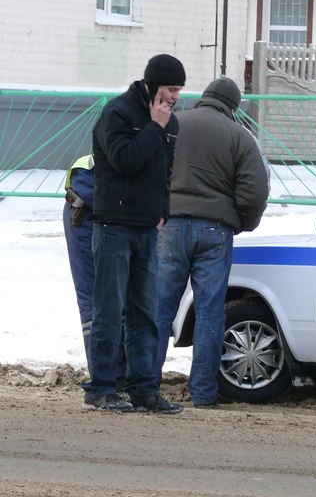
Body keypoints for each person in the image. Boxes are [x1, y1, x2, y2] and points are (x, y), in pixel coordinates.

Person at [154, 77, 269, 408]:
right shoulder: (239, 136)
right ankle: (202, 393)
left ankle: (147, 384)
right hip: (215, 231)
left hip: (171, 227)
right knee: (209, 313)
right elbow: (255, 189)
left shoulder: (173, 125)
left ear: (204, 98)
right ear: (233, 106)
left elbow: (150, 171)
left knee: (159, 310)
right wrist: (242, 222)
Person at [84, 53, 185, 414]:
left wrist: (163, 211)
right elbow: (124, 160)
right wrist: (154, 127)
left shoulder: (169, 120)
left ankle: (145, 389)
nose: (175, 96)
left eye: (179, 90)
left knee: (146, 312)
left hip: (147, 228)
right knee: (110, 310)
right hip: (114, 226)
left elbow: (165, 170)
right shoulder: (119, 113)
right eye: (171, 88)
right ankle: (101, 389)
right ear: (153, 84)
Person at [63, 154, 127, 389]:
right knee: (95, 300)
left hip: (90, 215)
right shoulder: (89, 167)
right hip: (84, 219)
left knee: (115, 299)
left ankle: (116, 373)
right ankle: (106, 376)